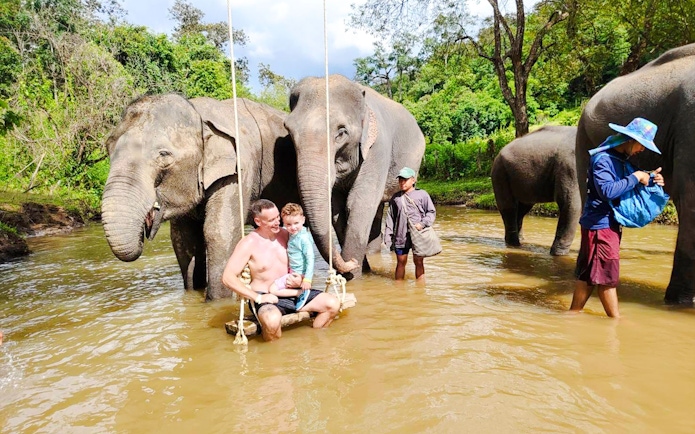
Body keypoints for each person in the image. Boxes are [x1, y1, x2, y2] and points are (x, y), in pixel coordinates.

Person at [570, 117, 665, 318]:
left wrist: (650, 180)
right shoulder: (603, 159)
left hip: (603, 224)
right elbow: (607, 191)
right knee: (607, 278)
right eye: (642, 145)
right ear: (630, 139)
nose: (642, 150)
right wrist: (636, 177)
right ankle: (615, 323)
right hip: (600, 226)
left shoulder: (620, 160)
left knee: (587, 275)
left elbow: (627, 184)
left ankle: (572, 314)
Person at [221, 199, 339, 342]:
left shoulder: (287, 234)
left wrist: (302, 279)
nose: (277, 222)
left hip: (292, 291)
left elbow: (305, 259)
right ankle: (274, 358)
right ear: (258, 221)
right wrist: (258, 298)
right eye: (271, 220)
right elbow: (227, 277)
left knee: (332, 304)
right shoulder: (249, 243)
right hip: (266, 297)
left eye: (278, 217)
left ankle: (314, 342)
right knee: (272, 321)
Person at [383, 166, 436, 282]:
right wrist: (387, 235)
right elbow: (390, 218)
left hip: (418, 234)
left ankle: (420, 291)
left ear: (413, 180)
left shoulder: (422, 194)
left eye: (405, 180)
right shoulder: (396, 198)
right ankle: (398, 291)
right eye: (400, 180)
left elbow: (431, 212)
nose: (402, 182)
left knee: (419, 261)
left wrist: (423, 224)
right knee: (401, 262)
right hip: (401, 235)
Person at [268, 203, 315, 310]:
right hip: (294, 271)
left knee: (273, 289)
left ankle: (299, 293)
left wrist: (307, 279)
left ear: (303, 220)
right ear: (284, 223)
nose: (293, 227)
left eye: (296, 223)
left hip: (298, 273)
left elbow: (310, 258)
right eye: (288, 224)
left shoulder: (303, 239)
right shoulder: (295, 233)